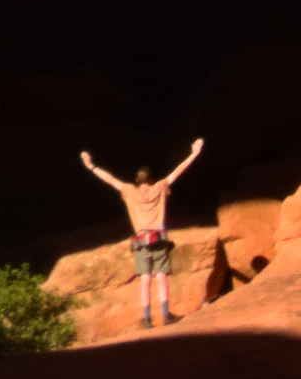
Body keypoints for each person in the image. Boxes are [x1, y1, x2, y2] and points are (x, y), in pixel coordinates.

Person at [78, 140, 206, 329]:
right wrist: (194, 153)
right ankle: (166, 315)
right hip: (159, 239)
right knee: (161, 277)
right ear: (151, 179)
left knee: (145, 279)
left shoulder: (129, 191)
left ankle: (146, 319)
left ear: (137, 180)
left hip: (141, 242)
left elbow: (109, 179)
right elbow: (178, 172)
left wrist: (91, 166)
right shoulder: (160, 187)